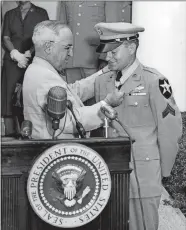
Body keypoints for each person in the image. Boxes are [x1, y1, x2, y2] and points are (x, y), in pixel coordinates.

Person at [94, 22, 182, 230]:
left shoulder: (155, 81)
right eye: (106, 52)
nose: (108, 58)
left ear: (131, 48)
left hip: (142, 176)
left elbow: (170, 131)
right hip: (108, 173)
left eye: (114, 52)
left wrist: (162, 172)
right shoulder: (101, 82)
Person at [22, 20, 124, 139]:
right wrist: (107, 104)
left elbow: (72, 92)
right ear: (48, 47)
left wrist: (105, 71)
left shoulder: (40, 70)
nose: (71, 54)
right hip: (60, 151)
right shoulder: (44, 77)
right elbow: (69, 121)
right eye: (67, 47)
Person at [1, 1, 49, 136]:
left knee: (29, 97)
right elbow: (5, 37)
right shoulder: (10, 14)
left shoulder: (41, 13)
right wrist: (15, 54)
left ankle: (30, 135)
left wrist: (29, 53)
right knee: (8, 98)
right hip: (12, 61)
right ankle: (10, 136)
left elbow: (44, 36)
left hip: (32, 61)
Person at [58, 1, 132, 84]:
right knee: (73, 93)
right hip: (71, 57)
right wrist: (60, 58)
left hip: (94, 57)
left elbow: (111, 28)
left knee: (97, 93)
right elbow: (61, 27)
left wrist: (105, 58)